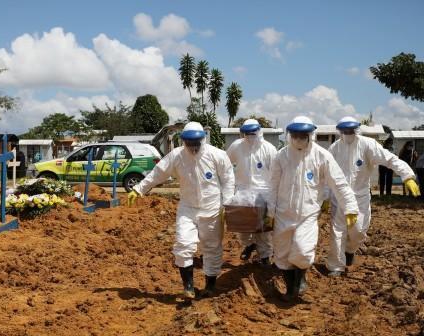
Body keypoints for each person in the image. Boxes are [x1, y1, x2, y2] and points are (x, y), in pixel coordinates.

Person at [127, 122, 235, 299]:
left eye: (196, 143)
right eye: (189, 143)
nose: (193, 146)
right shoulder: (176, 156)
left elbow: (228, 180)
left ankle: (210, 286)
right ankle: (188, 288)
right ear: (183, 141)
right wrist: (139, 188)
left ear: (203, 139)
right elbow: (157, 173)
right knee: (183, 244)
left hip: (212, 208)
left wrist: (228, 204)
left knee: (212, 248)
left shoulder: (218, 155)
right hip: (187, 208)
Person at [265, 116, 358, 301]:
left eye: (303, 135)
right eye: (295, 135)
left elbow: (339, 184)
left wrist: (350, 207)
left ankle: (300, 280)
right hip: (283, 214)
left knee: (302, 251)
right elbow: (272, 186)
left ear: (310, 135)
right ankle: (292, 289)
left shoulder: (322, 156)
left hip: (307, 214)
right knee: (282, 255)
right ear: (290, 135)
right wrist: (270, 212)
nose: (299, 139)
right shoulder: (281, 156)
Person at [325, 117, 420, 277]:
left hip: (360, 198)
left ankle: (350, 250)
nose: (348, 133)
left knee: (359, 231)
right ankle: (335, 266)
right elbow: (326, 173)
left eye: (351, 130)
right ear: (340, 131)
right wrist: (325, 196)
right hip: (339, 198)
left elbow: (389, 159)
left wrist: (407, 175)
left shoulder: (368, 144)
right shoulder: (334, 148)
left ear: (357, 129)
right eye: (344, 130)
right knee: (338, 231)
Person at [226, 119, 277, 265]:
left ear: (259, 131)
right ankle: (249, 245)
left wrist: (273, 196)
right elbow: (225, 163)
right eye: (247, 134)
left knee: (264, 229)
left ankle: (265, 256)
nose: (250, 137)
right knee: (242, 226)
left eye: (252, 133)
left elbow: (275, 174)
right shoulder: (237, 146)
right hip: (242, 192)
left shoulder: (269, 148)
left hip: (263, 193)